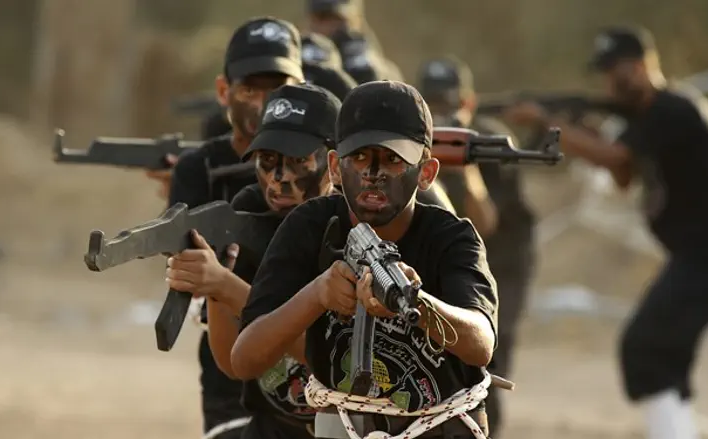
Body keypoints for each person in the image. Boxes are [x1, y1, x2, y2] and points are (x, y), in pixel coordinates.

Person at [504, 25, 708, 439]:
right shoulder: (650, 118)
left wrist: (549, 122)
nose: (611, 84)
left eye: (616, 72)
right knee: (663, 354)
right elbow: (621, 173)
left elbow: (613, 157)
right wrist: (587, 131)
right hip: (698, 256)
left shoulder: (672, 110)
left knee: (645, 350)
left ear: (640, 66)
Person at [231, 80, 498, 439]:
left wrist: (417, 304)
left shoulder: (451, 236)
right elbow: (245, 359)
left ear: (426, 173)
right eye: (359, 157)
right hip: (343, 426)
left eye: (393, 159)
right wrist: (317, 295)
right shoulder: (310, 227)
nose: (373, 174)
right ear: (335, 168)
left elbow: (481, 343)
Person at [165, 83, 341, 439]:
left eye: (297, 163)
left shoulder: (351, 226)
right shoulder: (248, 211)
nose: (279, 180)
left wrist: (228, 287)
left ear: (333, 164)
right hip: (273, 425)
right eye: (268, 162)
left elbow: (332, 357)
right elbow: (233, 363)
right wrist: (214, 288)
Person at [163, 17, 305, 439]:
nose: (264, 104)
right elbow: (183, 255)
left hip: (307, 349)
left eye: (279, 90)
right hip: (228, 346)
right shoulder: (200, 166)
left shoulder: (321, 169)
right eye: (250, 89)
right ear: (224, 92)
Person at [417, 55, 536, 439]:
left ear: (468, 103)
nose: (443, 114)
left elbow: (486, 223)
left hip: (503, 264)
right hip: (446, 264)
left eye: (449, 104)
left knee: (486, 361)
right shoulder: (414, 143)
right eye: (432, 105)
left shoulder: (487, 143)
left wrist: (462, 167)